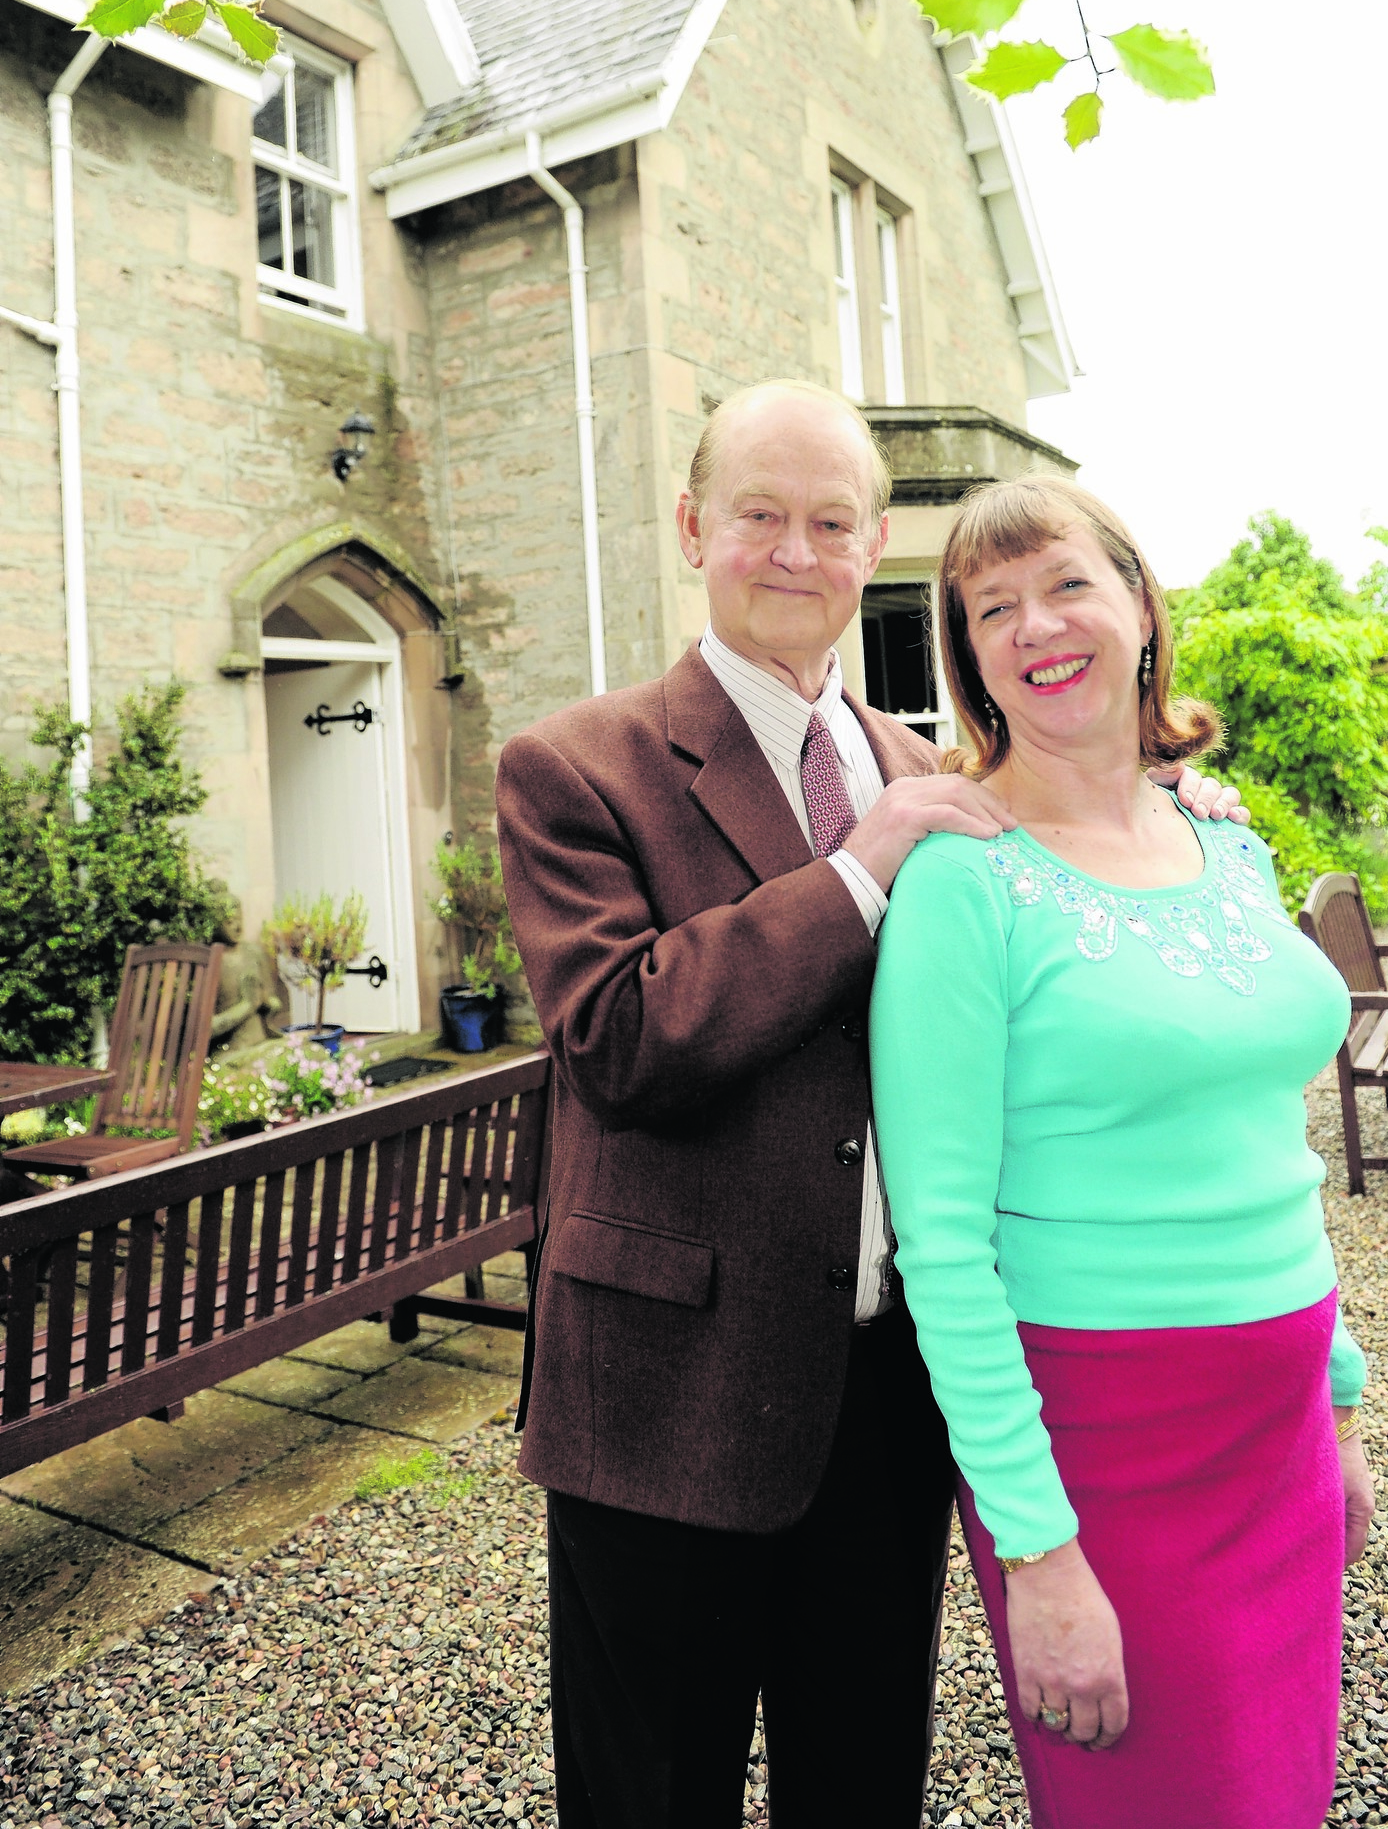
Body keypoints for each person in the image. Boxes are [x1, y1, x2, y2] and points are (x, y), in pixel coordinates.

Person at [495, 384, 1244, 1829]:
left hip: (885, 1397)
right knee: (652, 1797)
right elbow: (623, 1042)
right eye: (761, 515)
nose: (794, 550)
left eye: (830, 522)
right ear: (693, 524)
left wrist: (1167, 819)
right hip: (660, 1403)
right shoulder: (576, 767)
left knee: (862, 1788)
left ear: (872, 543)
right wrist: (858, 874)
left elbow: (1074, 906)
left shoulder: (932, 775)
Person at [870, 474, 1374, 1829]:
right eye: (992, 607)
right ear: (971, 660)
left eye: (1067, 584)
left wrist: (1334, 1401)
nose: (1038, 624)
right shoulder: (964, 887)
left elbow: (1276, 1138)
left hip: (1279, 1431)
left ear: (1143, 609)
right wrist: (1037, 1552)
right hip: (1110, 1450)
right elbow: (945, 1246)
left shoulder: (1228, 847)